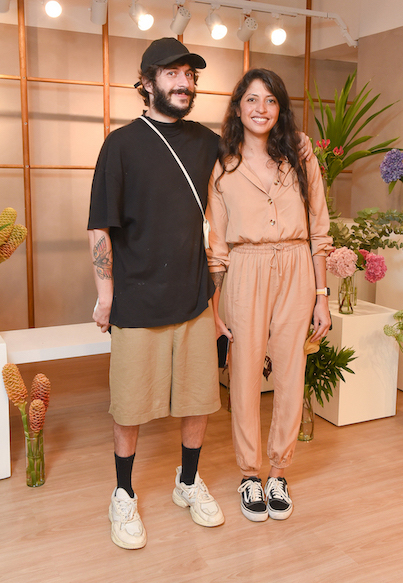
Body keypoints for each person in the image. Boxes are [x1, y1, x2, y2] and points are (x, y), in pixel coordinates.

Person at [87, 37, 225, 549]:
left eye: (189, 74)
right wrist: (106, 295)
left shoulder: (208, 142)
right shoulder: (121, 144)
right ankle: (123, 494)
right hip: (136, 300)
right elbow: (100, 227)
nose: (183, 82)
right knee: (129, 405)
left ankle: (187, 482)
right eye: (171, 74)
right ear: (146, 83)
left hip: (193, 296)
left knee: (198, 399)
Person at [206, 68, 332, 523]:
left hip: (297, 266)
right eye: (252, 99)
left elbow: (319, 229)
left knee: (291, 372)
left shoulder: (300, 156)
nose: (261, 109)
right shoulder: (223, 165)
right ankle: (248, 473)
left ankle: (278, 471)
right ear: (238, 107)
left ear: (280, 108)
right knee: (243, 374)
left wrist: (321, 296)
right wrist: (214, 307)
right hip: (245, 268)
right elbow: (216, 245)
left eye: (271, 100)